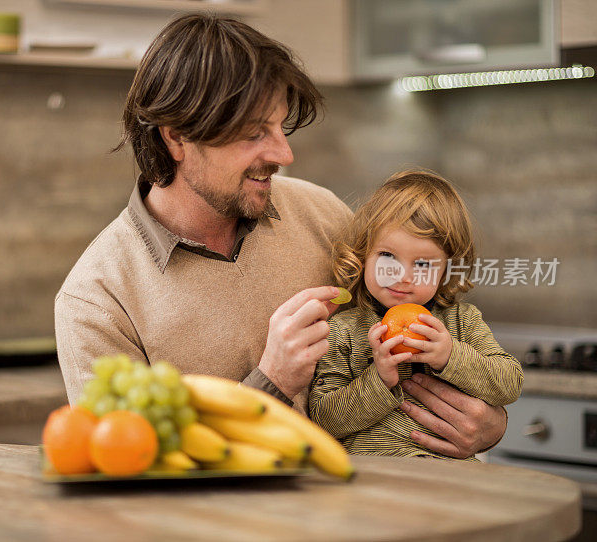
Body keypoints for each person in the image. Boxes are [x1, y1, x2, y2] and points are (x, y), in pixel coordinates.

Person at [54, 13, 508, 459]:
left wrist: (488, 424)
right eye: (254, 134)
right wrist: (270, 381)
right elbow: (133, 465)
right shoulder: (96, 299)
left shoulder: (322, 214)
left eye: (280, 127)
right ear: (176, 138)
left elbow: (428, 340)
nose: (284, 152)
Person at [309, 170, 523, 459]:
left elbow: (510, 384)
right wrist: (379, 379)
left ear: (447, 269)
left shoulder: (462, 321)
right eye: (387, 256)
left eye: (422, 264)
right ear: (364, 254)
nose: (402, 276)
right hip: (374, 483)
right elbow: (323, 421)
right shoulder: (342, 330)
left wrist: (450, 356)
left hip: (450, 480)